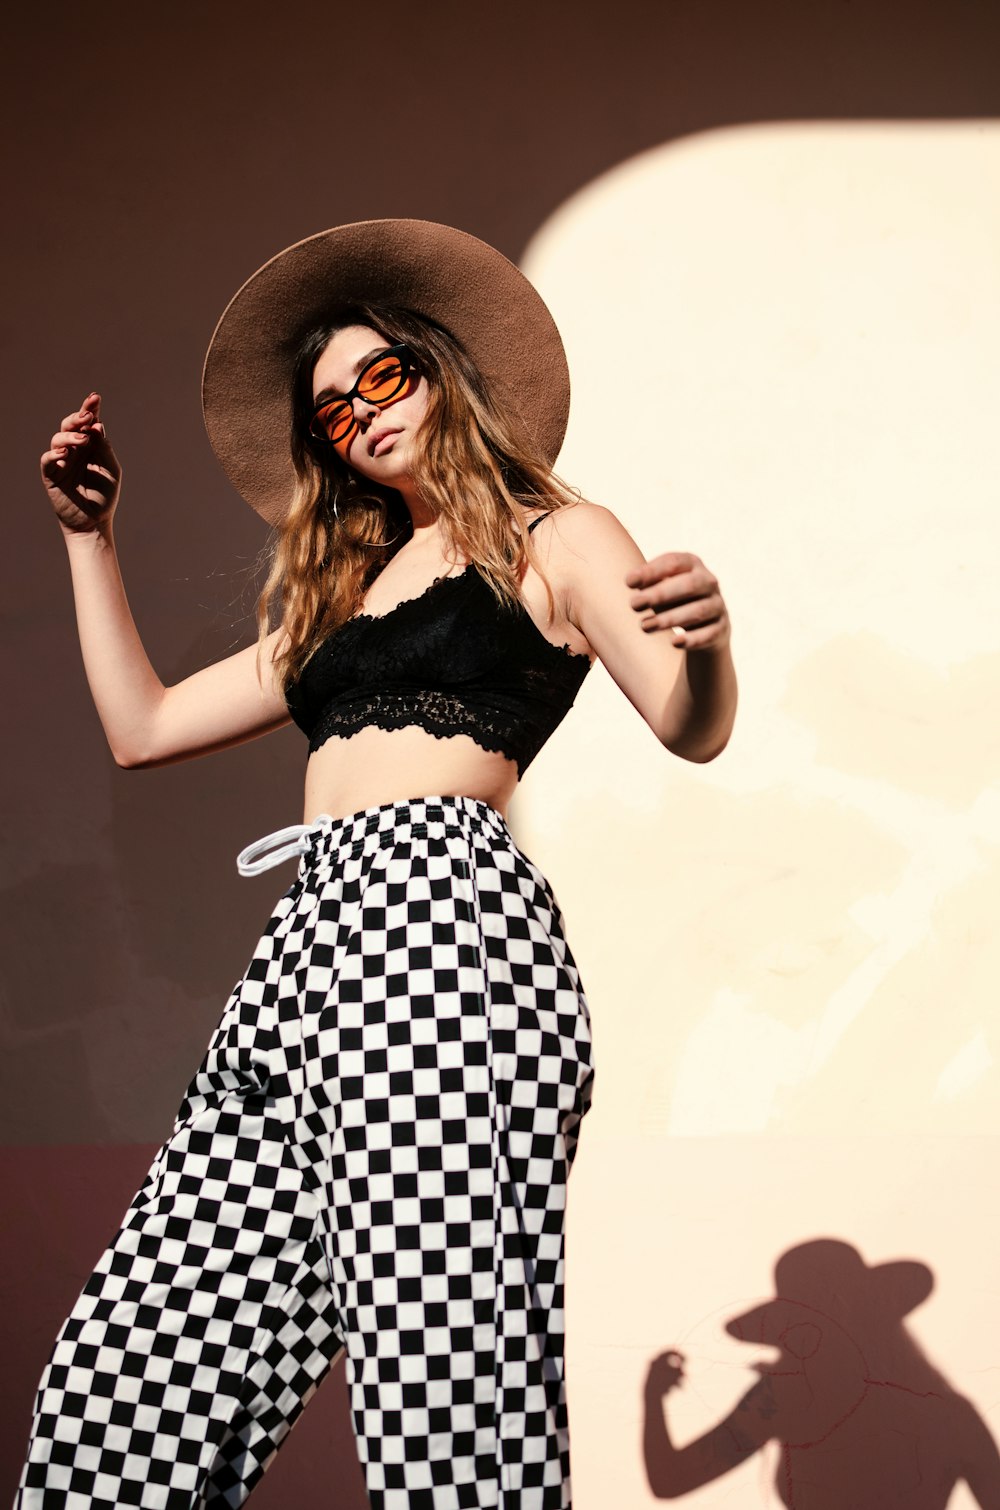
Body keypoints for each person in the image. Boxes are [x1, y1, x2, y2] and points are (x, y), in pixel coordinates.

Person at [15, 219, 736, 1510]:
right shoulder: (338, 591)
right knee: (126, 1371)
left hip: (443, 937)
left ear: (442, 371)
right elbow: (142, 729)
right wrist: (88, 538)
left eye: (384, 377)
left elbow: (690, 725)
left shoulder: (555, 538)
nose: (360, 416)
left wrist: (709, 643)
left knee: (441, 1390)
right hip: (306, 951)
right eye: (335, 412)